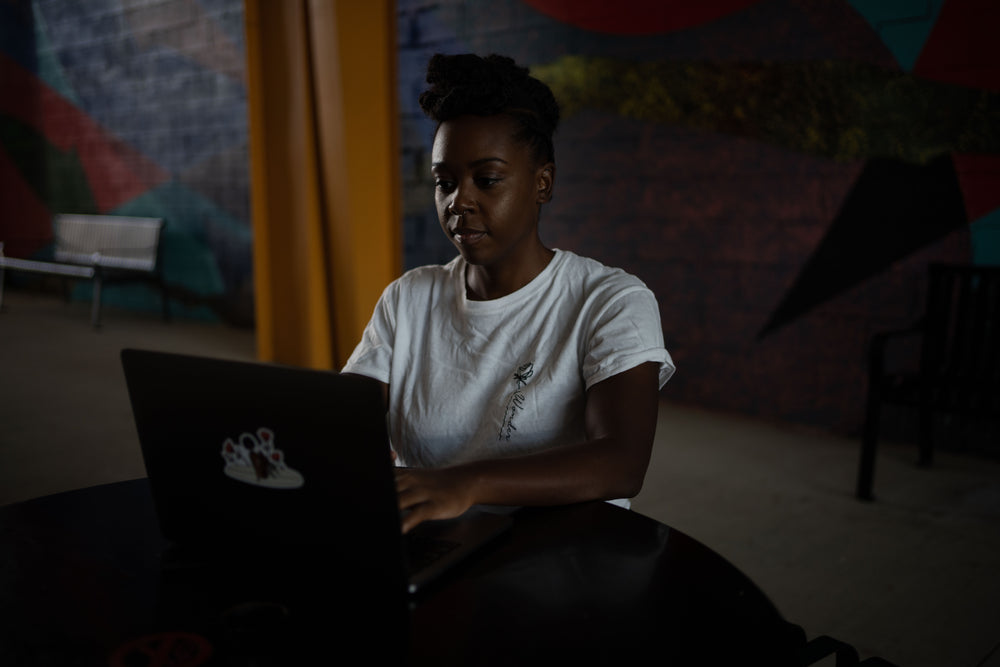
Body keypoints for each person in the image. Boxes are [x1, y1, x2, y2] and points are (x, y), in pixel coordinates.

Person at [342, 53, 674, 533]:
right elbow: (342, 420)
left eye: (488, 179)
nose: (460, 201)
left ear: (543, 183)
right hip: (434, 539)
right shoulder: (408, 298)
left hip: (556, 551)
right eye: (445, 183)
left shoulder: (611, 301)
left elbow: (621, 463)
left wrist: (465, 484)